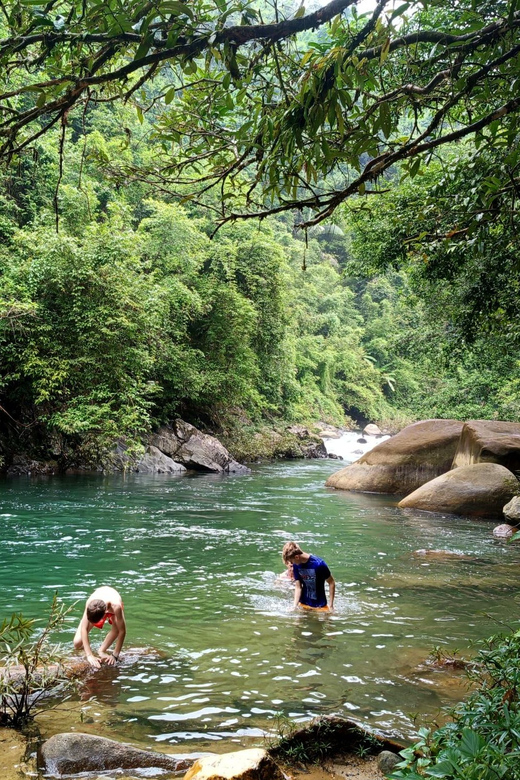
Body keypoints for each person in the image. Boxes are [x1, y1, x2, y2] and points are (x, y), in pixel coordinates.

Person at [74, 586, 126, 668]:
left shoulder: (116, 607)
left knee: (116, 628)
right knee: (77, 643)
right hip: (99, 599)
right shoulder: (90, 604)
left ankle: (101, 650)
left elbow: (122, 631)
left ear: (104, 614)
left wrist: (115, 655)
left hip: (112, 601)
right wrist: (89, 655)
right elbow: (84, 628)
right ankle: (91, 650)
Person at [282, 541, 335, 611]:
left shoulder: (319, 564)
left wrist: (331, 606)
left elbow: (331, 583)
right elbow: (298, 587)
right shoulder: (296, 566)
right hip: (303, 603)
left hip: (320, 605)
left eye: (292, 561)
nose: (291, 564)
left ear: (297, 557)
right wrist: (294, 606)